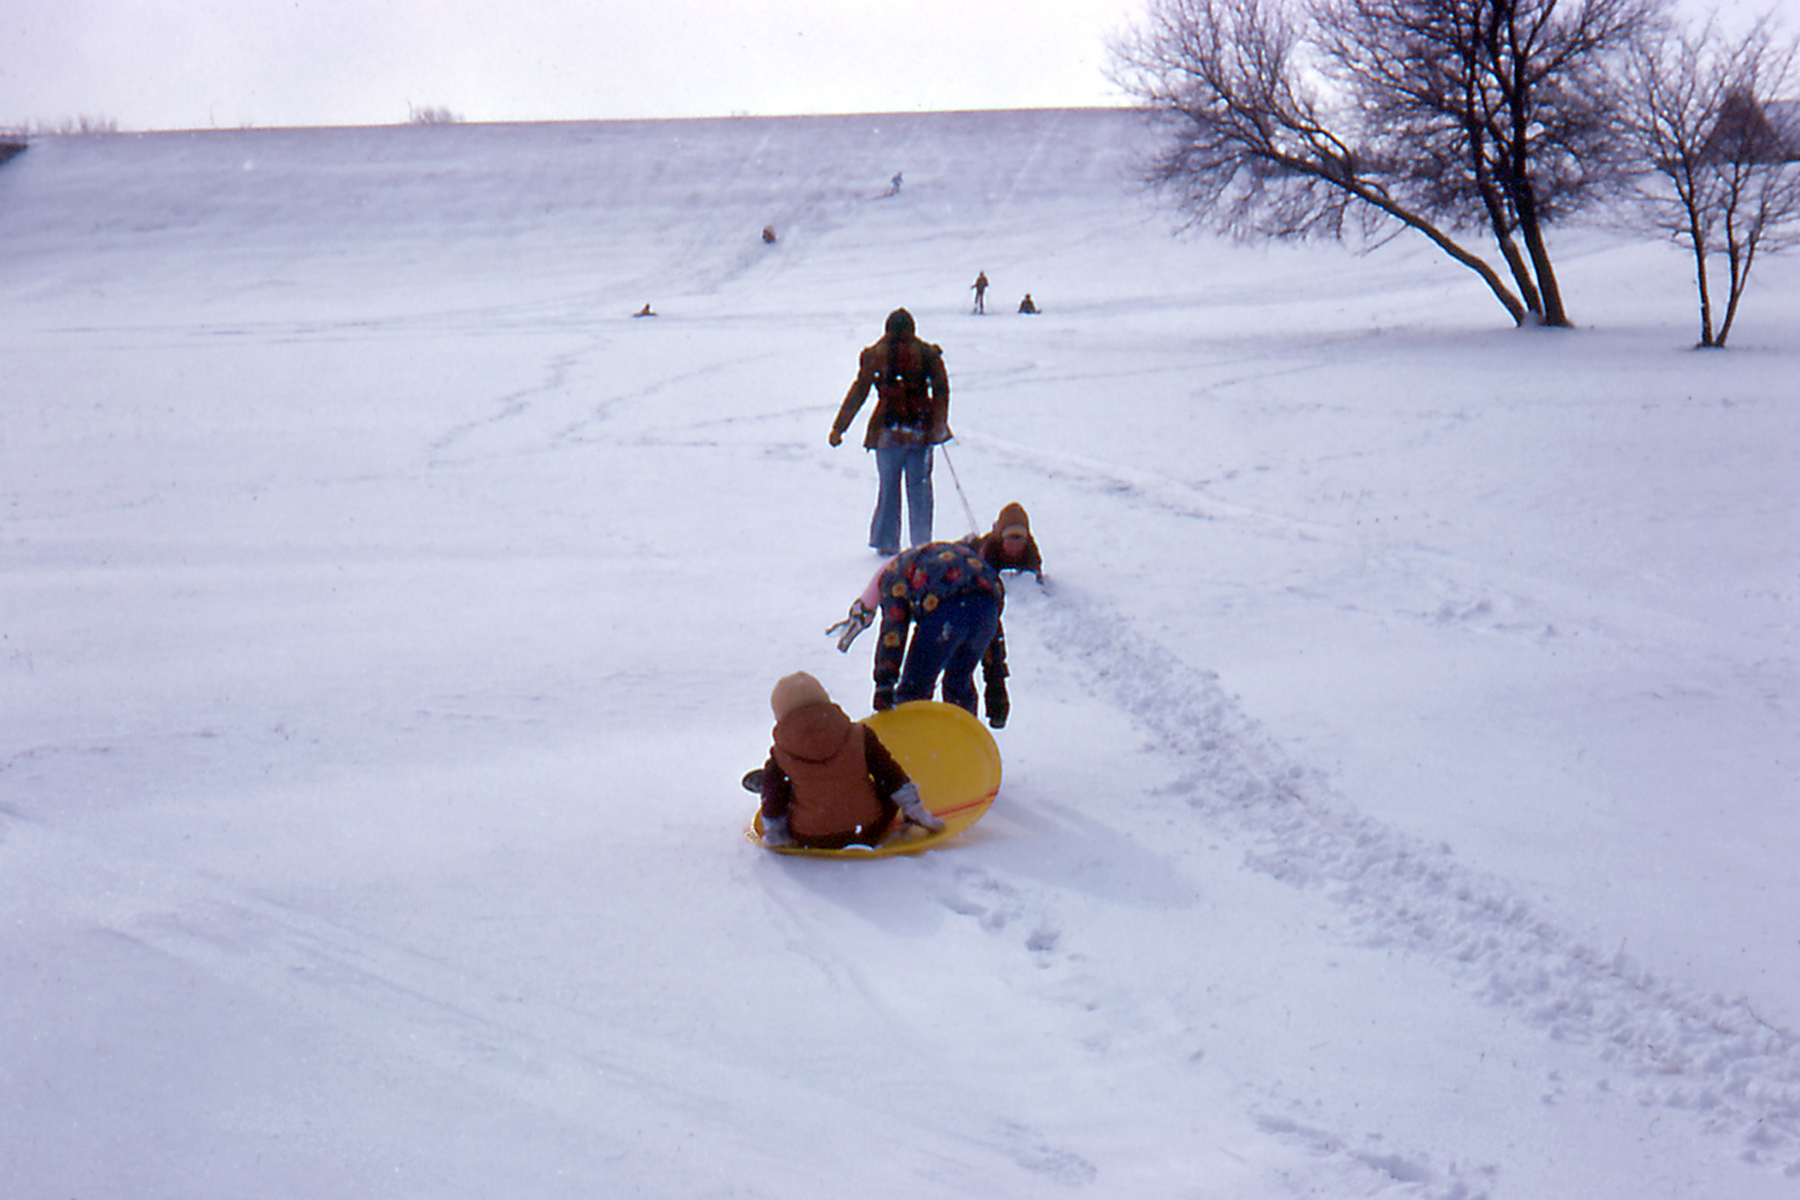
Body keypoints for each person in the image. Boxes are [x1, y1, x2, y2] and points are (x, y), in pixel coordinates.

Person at [758, 671, 943, 849]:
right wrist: (914, 808)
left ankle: (788, 818)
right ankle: (907, 815)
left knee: (781, 787)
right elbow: (890, 775)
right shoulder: (859, 735)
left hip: (811, 836)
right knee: (882, 782)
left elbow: (774, 796)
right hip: (869, 828)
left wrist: (775, 832)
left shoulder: (781, 754)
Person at [828, 541, 1004, 722]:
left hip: (947, 614)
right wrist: (996, 688)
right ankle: (963, 733)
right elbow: (992, 629)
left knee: (914, 690)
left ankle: (906, 735)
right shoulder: (932, 558)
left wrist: (884, 683)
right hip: (988, 606)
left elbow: (893, 631)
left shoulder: (893, 575)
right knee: (958, 680)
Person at [829, 308, 951, 556]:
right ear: (912, 329)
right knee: (920, 487)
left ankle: (886, 543)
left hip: (887, 429)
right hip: (920, 427)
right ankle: (921, 543)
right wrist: (938, 422)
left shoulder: (874, 355)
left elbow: (859, 391)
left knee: (888, 487)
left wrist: (839, 427)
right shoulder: (928, 354)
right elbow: (941, 389)